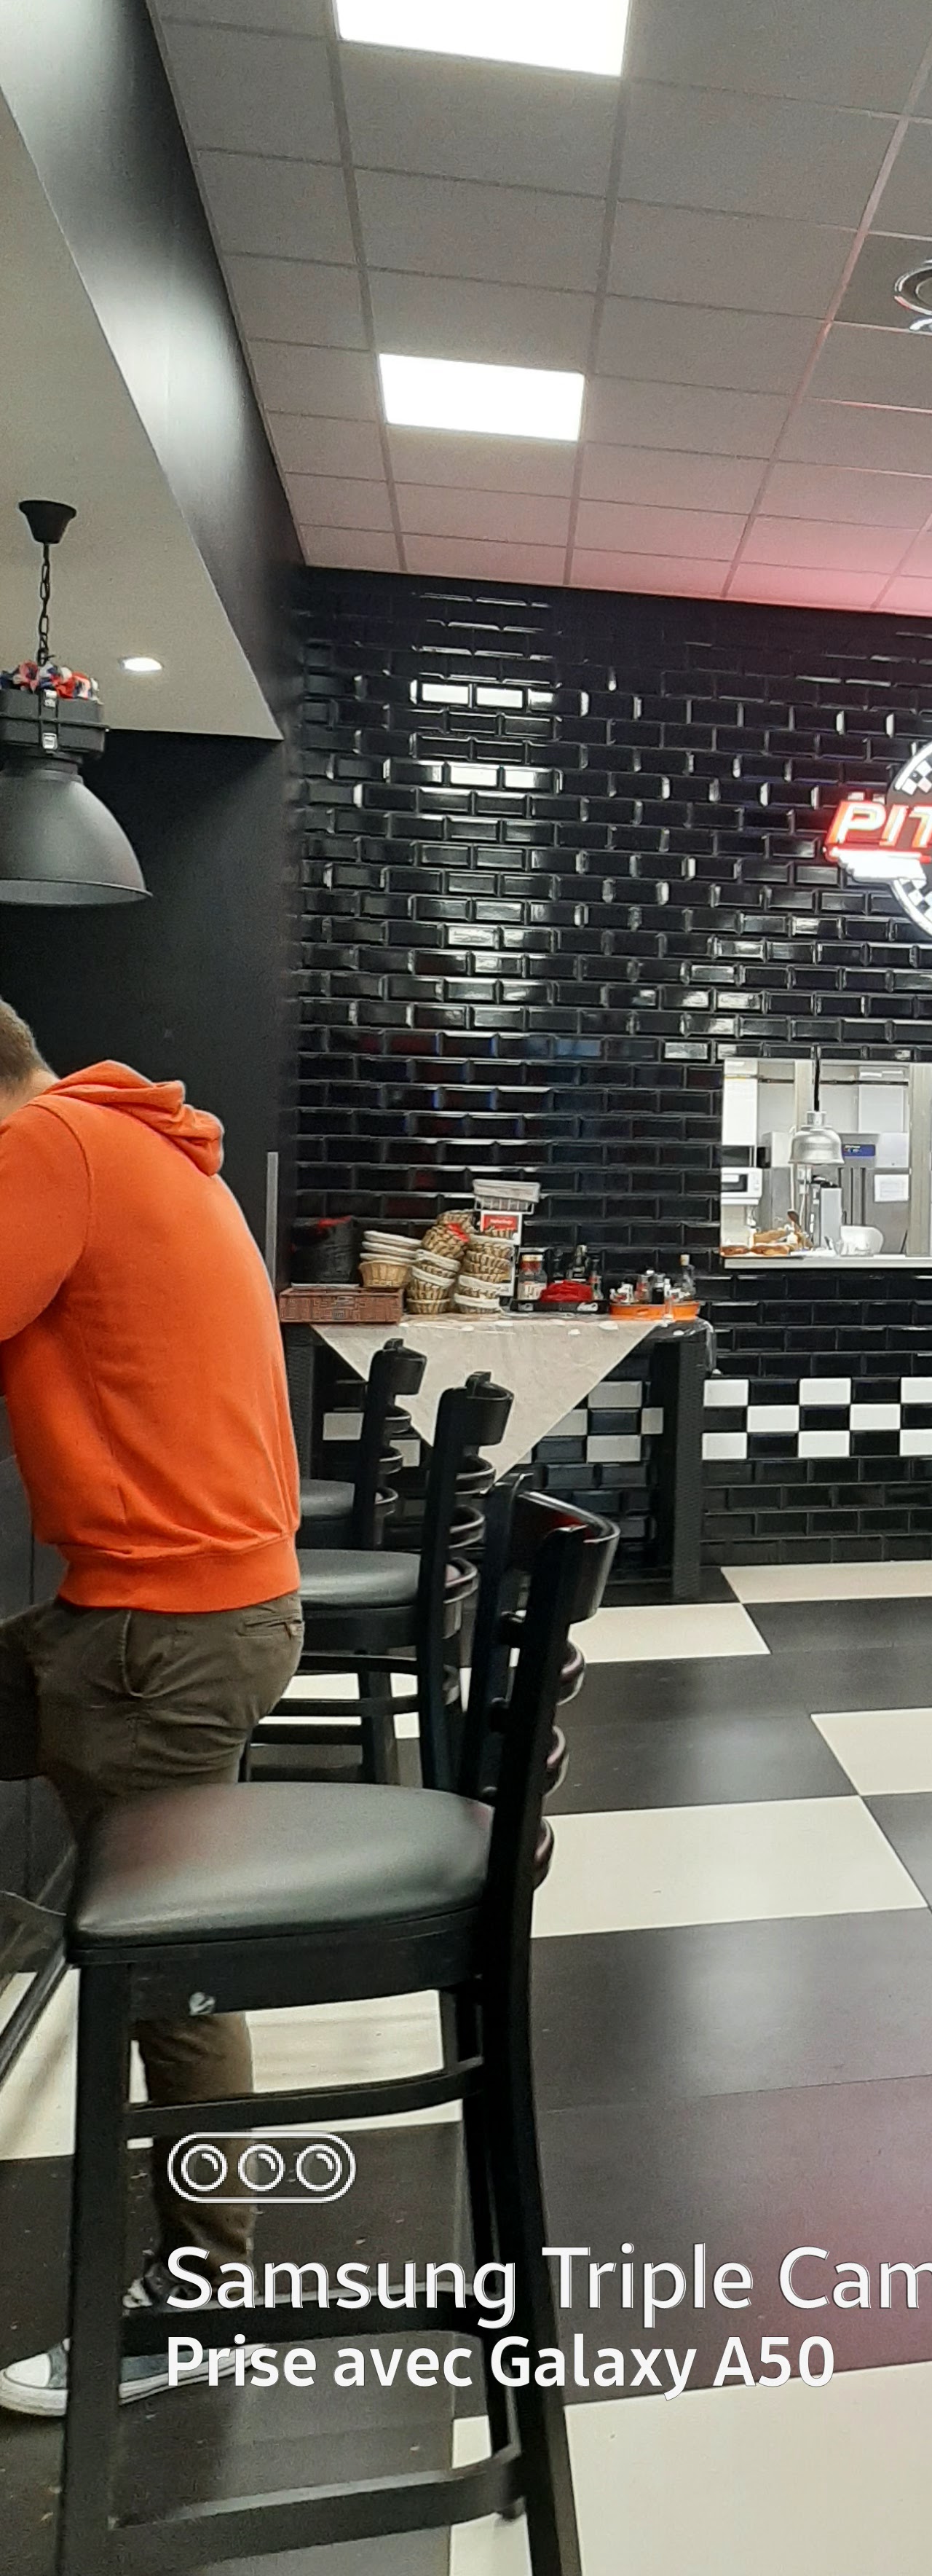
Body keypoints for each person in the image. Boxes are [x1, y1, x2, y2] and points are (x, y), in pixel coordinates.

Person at [0, 999, 301, 2417]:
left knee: (171, 1975)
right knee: (161, 1951)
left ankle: (202, 2299)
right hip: (170, 1613)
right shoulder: (133, 1143)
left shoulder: (51, 1144)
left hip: (159, 1636)